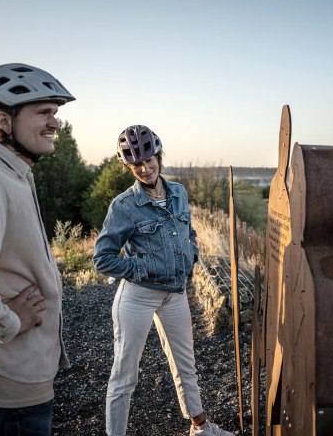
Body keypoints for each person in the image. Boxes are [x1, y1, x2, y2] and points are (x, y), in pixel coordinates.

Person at [0, 63, 75, 434]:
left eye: (54, 113)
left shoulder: (12, 173)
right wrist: (9, 323)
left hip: (22, 375)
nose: (55, 123)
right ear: (4, 121)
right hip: (8, 384)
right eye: (43, 112)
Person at [93, 125, 233, 436]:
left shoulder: (180, 193)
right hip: (137, 298)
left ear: (159, 156)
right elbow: (102, 257)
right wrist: (140, 269)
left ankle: (201, 428)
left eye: (149, 160)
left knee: (186, 366)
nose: (144, 169)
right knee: (124, 375)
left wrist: (192, 252)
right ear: (128, 167)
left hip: (175, 294)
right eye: (136, 164)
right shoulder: (124, 206)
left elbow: (190, 233)